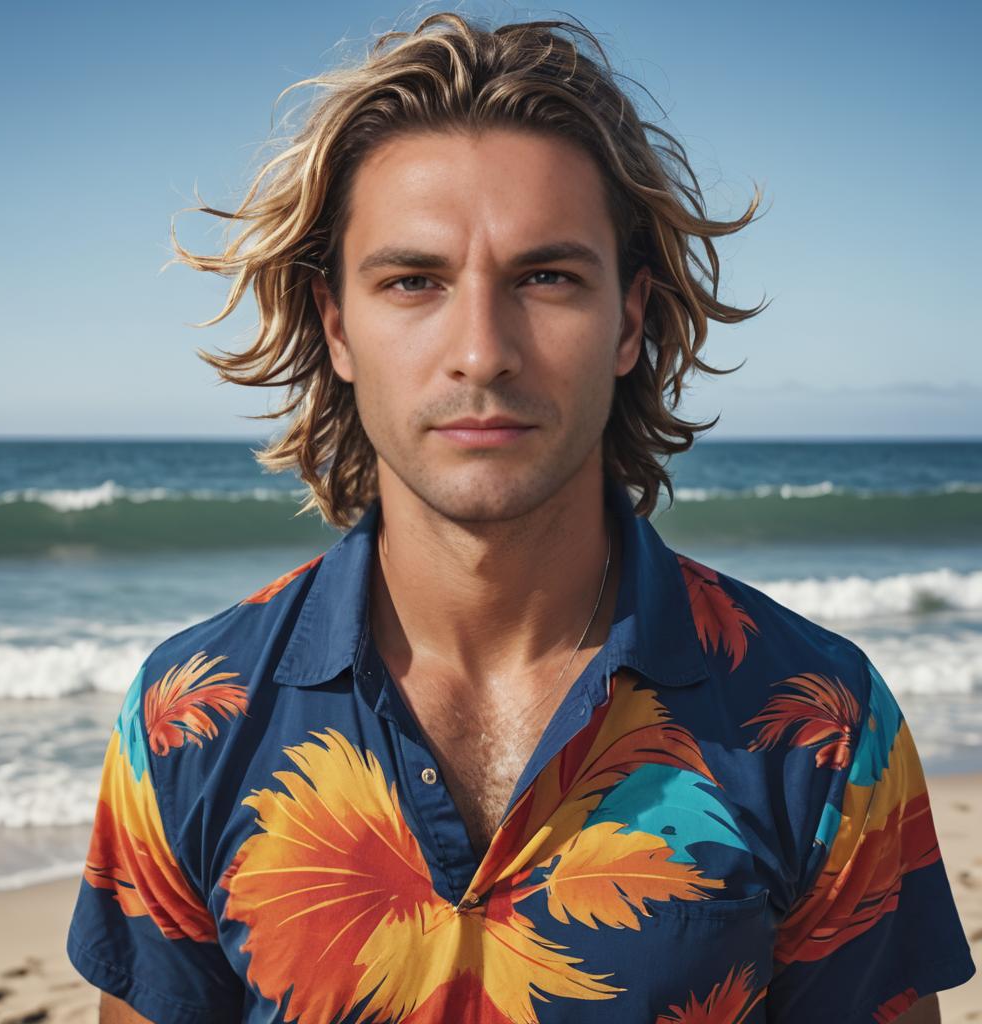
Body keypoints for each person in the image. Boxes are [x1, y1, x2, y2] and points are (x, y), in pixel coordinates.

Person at [65, 12, 976, 1024]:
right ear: (336, 325)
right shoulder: (192, 718)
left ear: (628, 320)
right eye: (413, 281)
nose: (481, 351)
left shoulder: (818, 724)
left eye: (545, 277)